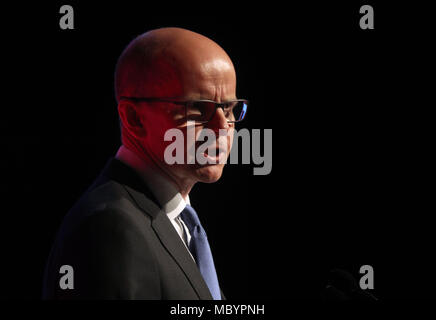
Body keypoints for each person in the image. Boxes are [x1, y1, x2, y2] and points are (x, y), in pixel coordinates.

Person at [42, 27, 248, 299]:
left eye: (230, 109)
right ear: (133, 118)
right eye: (198, 108)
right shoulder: (109, 228)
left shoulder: (177, 221)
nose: (222, 128)